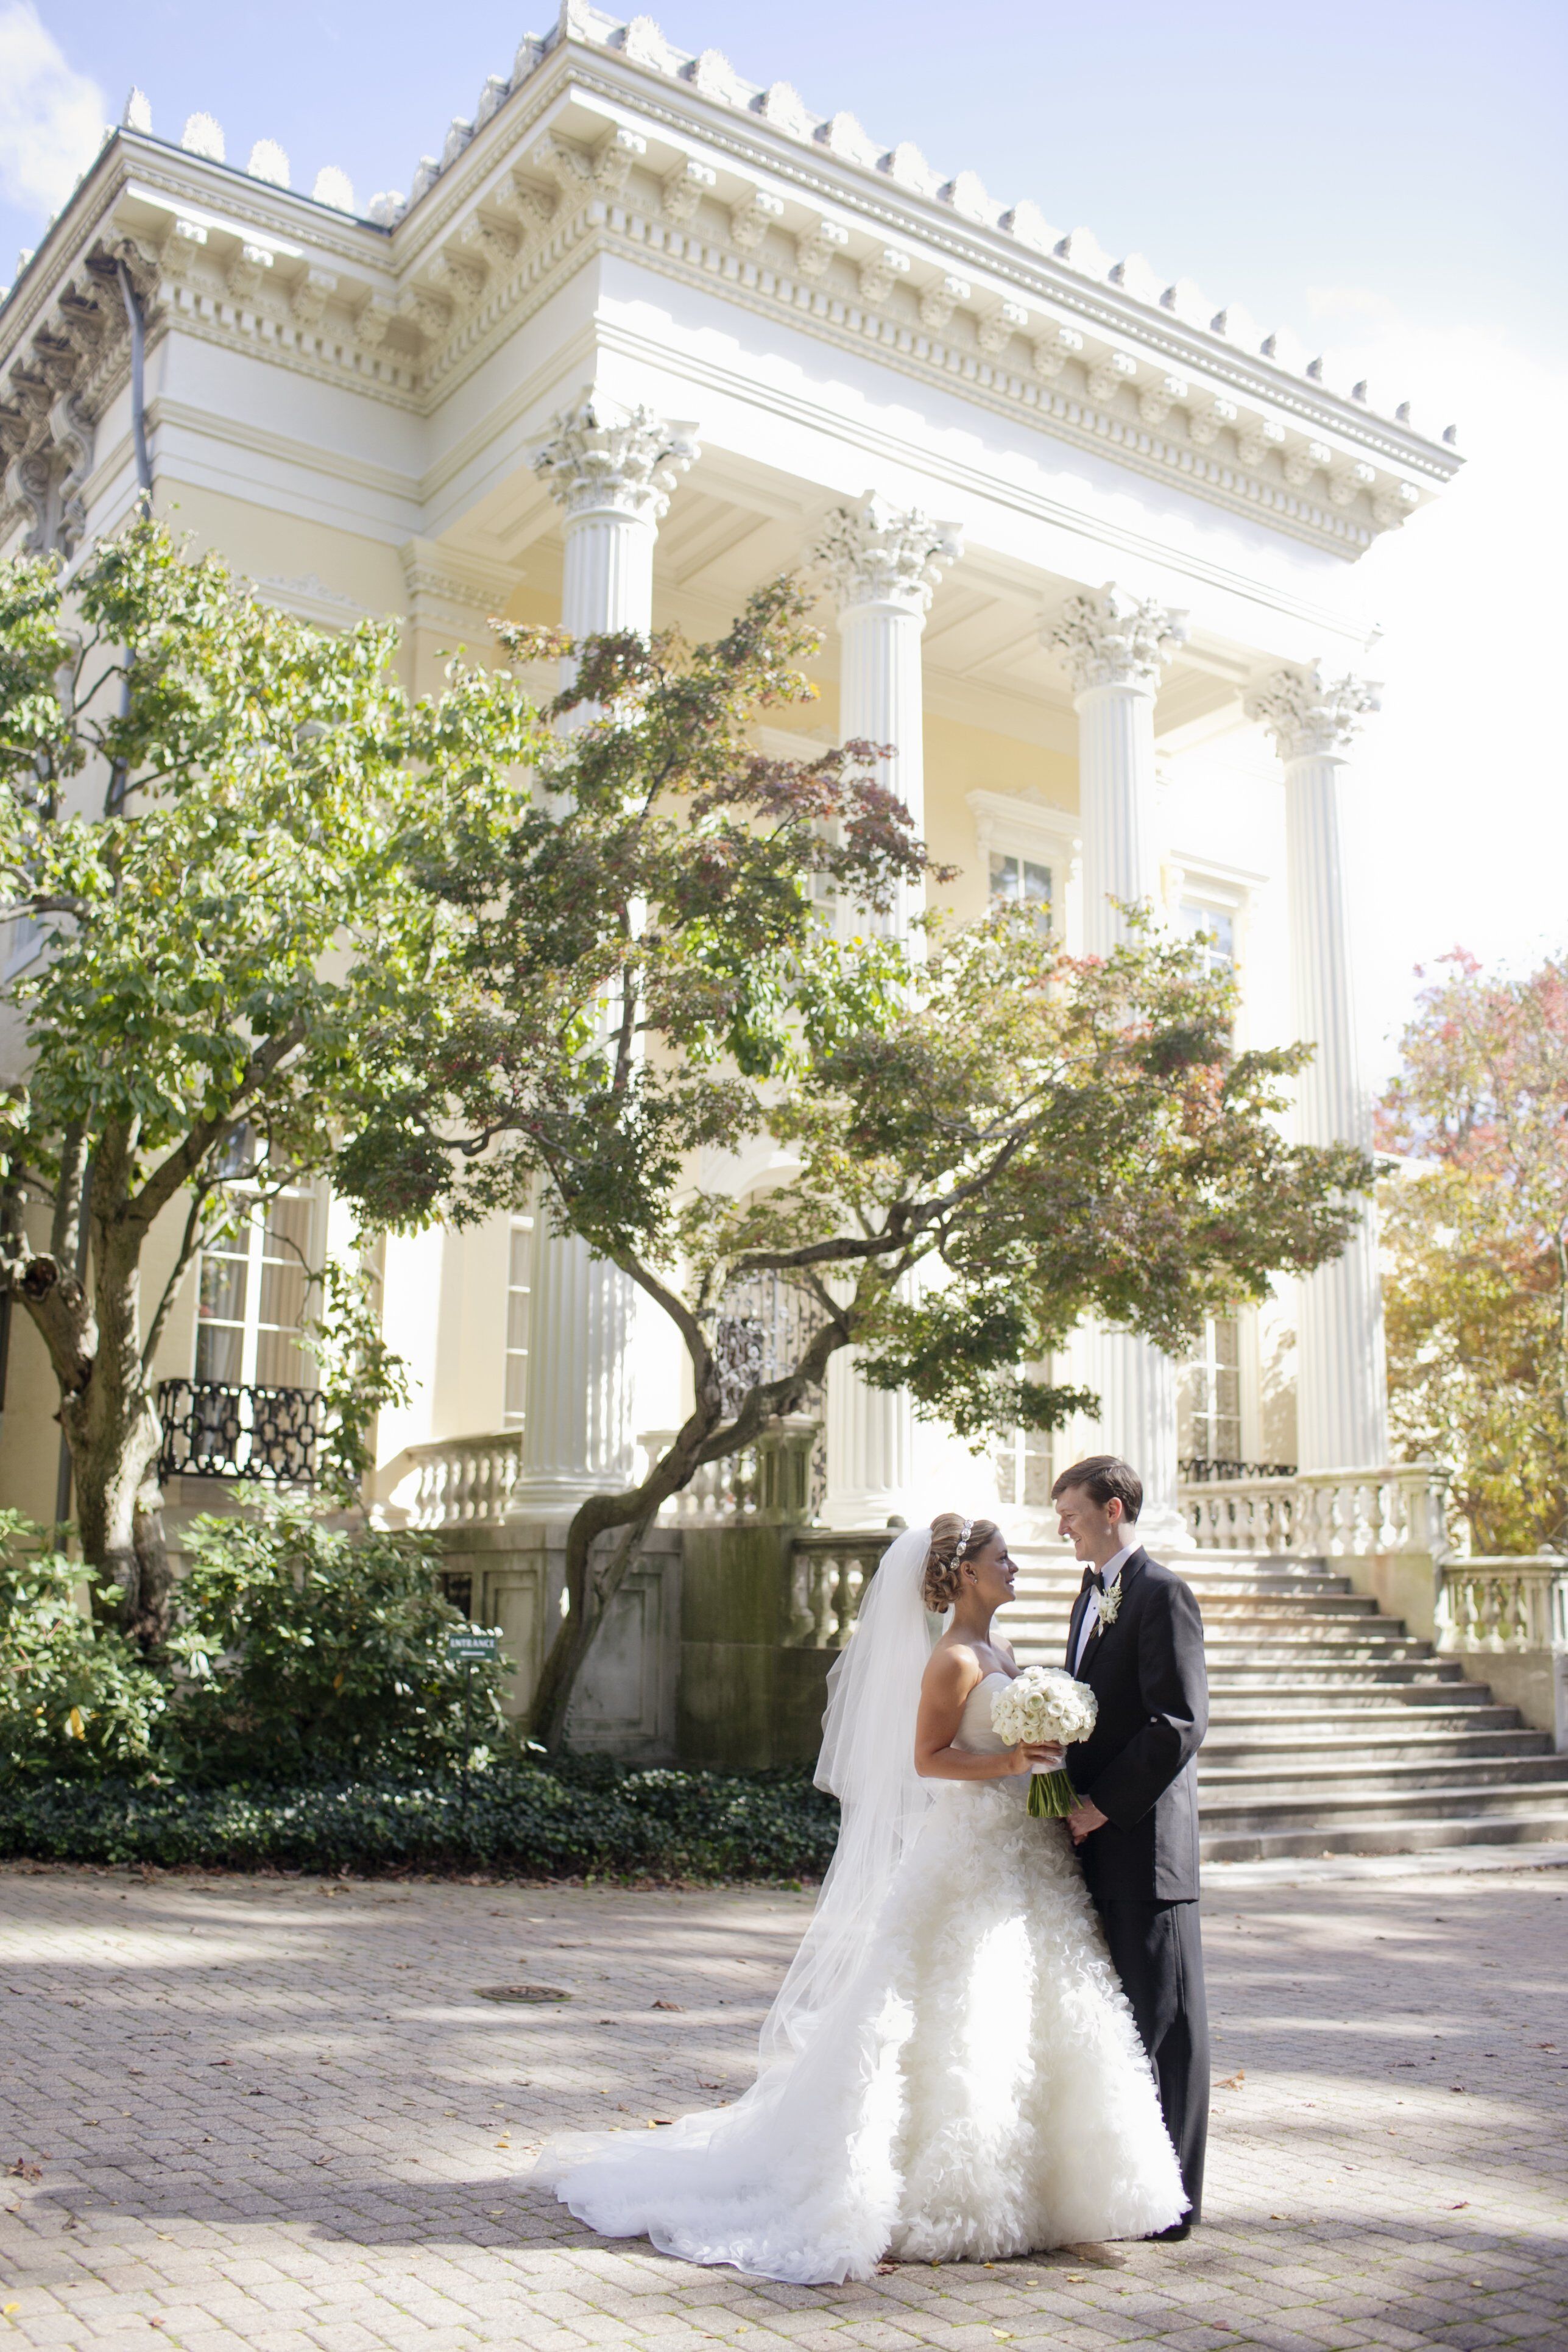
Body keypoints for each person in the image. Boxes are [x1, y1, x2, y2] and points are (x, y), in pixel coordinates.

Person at [535, 1514, 1186, 2283]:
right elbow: (928, 1759)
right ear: (967, 1573)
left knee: (1037, 2008)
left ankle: (1049, 2192)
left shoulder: (1001, 1650)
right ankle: (944, 2192)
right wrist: (1013, 1757)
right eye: (1003, 1558)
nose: (1016, 1567)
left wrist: (1043, 1761)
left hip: (1025, 1852)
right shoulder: (950, 1659)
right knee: (955, 2007)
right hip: (972, 1850)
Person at [1055, 1455, 1210, 2239]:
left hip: (1146, 1848)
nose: (1062, 1528)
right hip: (1093, 1842)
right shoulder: (1089, 1595)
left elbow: (1177, 1724)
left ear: (1113, 1510)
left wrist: (1098, 1809)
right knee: (1121, 2024)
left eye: (1072, 1514)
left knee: (1166, 2023)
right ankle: (1134, 2186)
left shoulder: (1161, 1594)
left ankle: (1177, 2201)